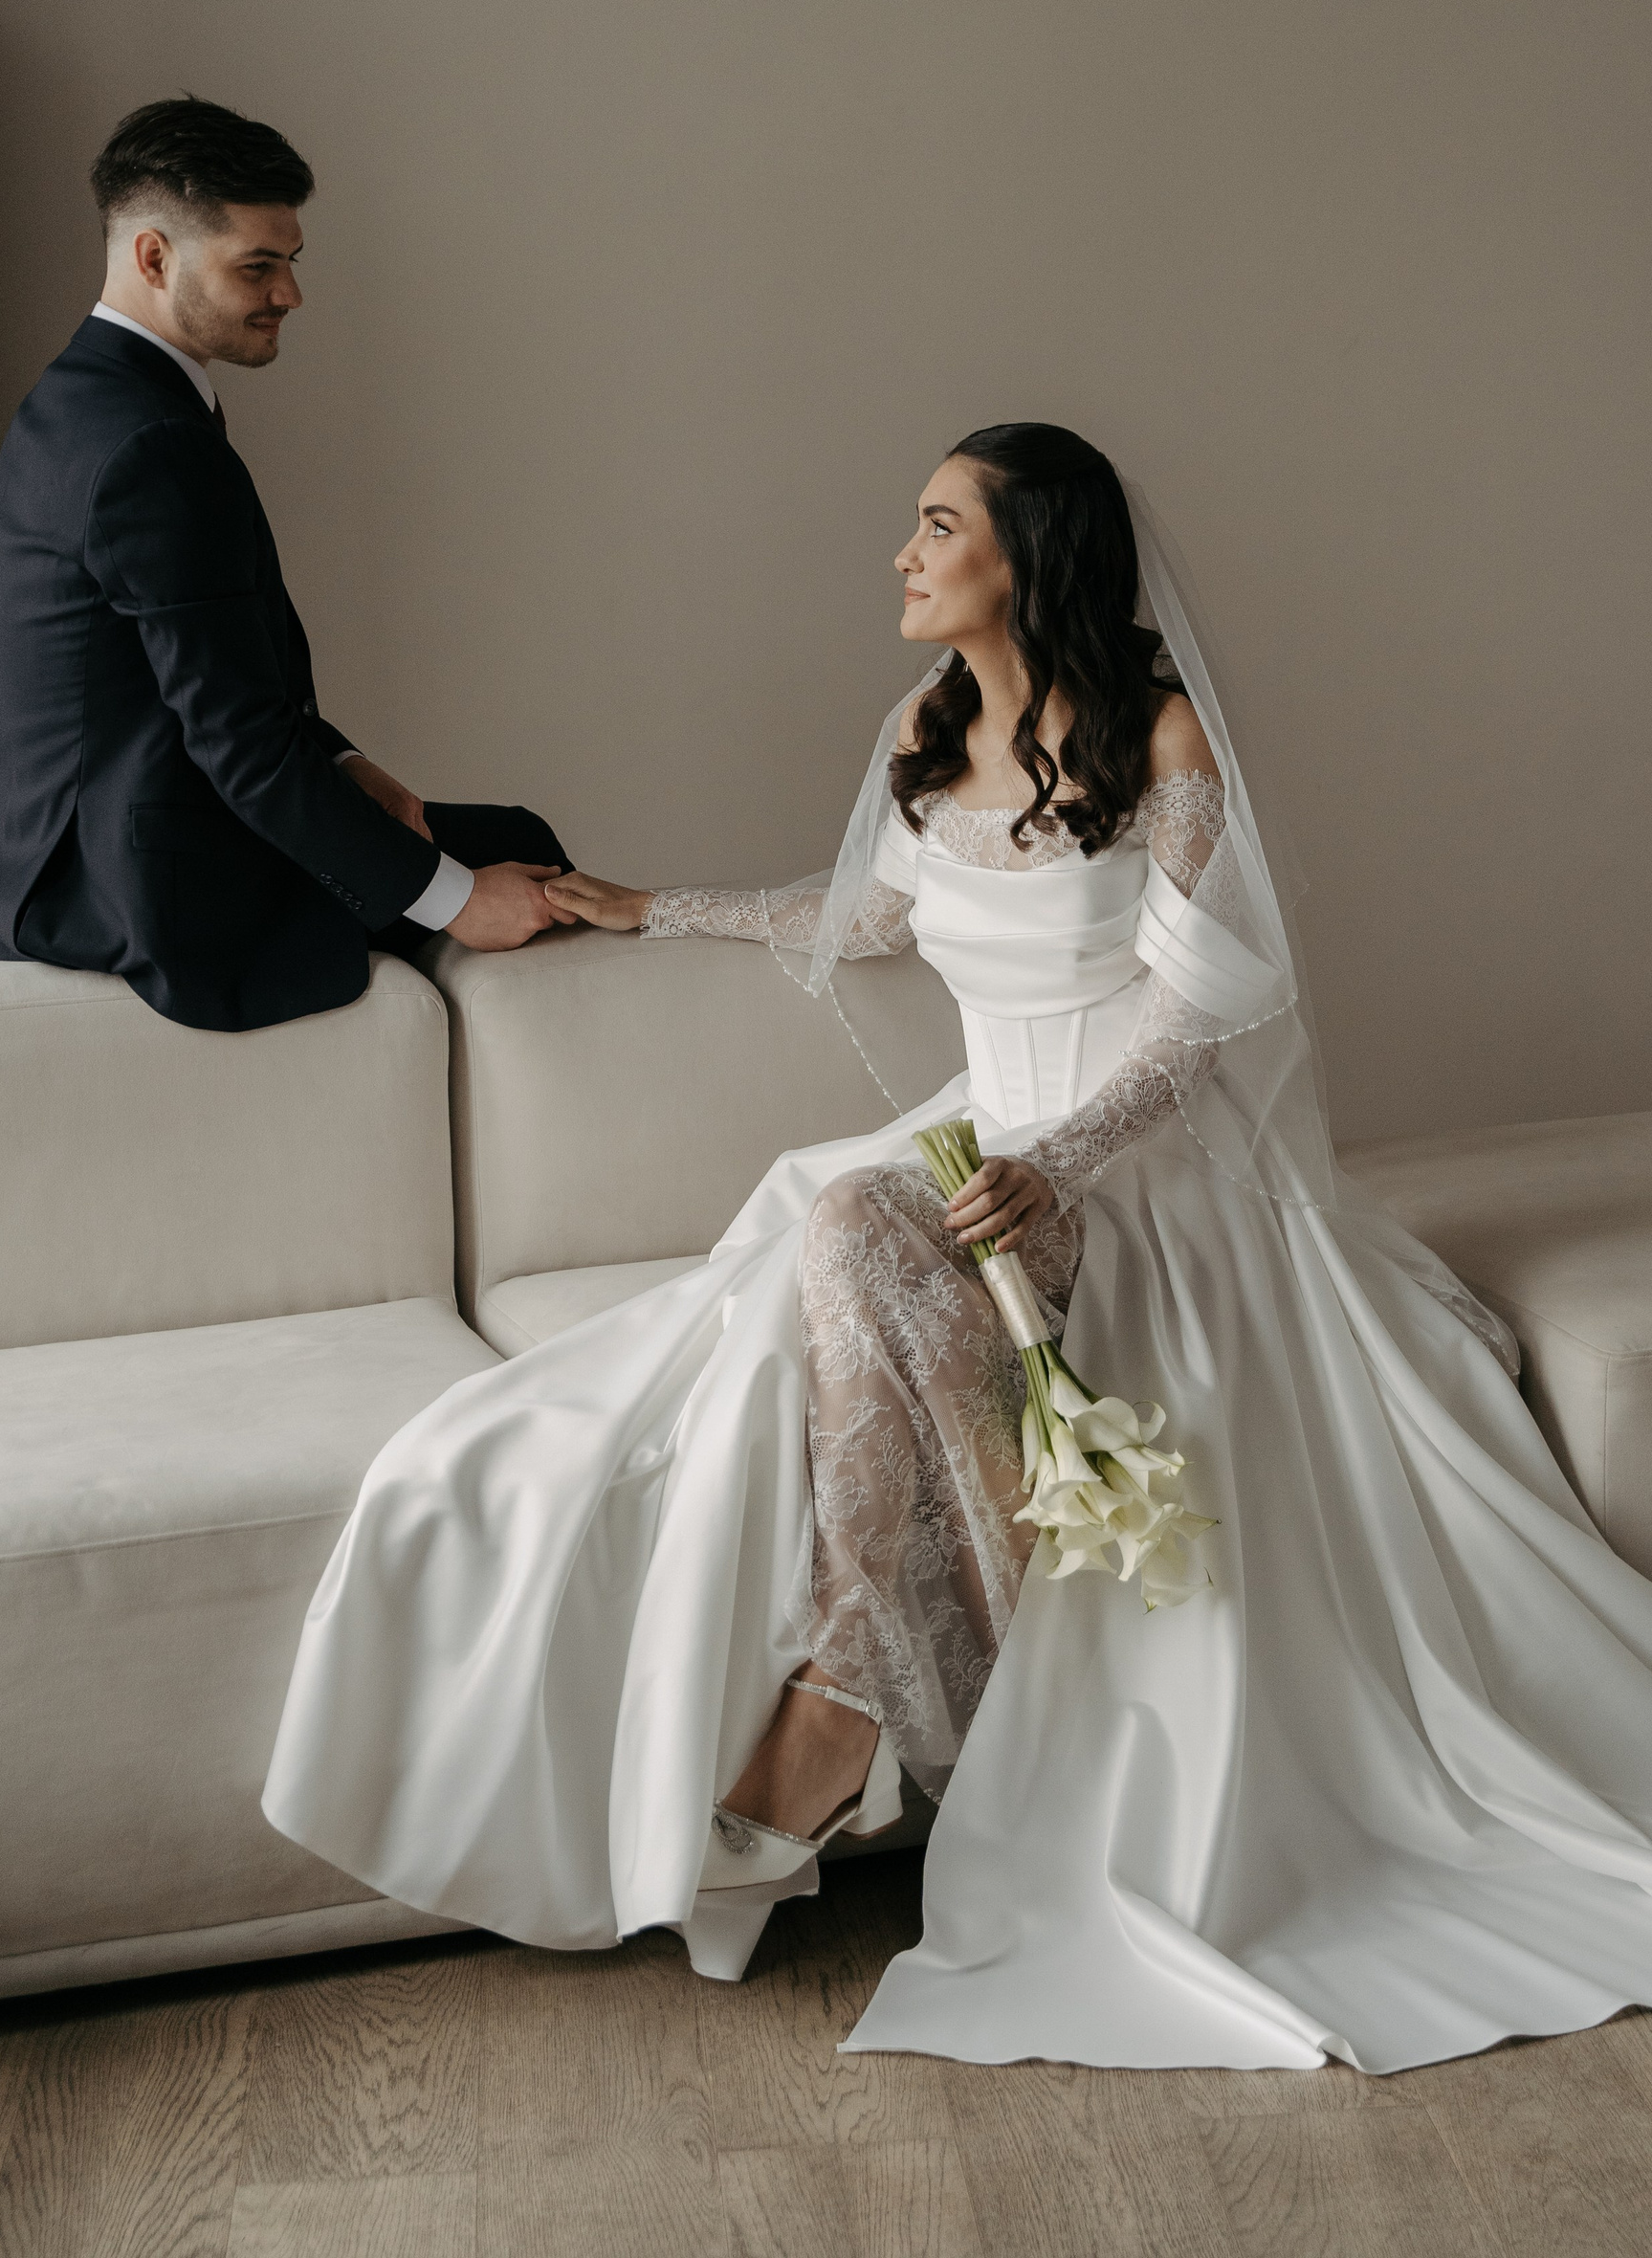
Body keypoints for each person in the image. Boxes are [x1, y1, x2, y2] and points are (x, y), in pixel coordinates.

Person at [262, 424, 1652, 2071]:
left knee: (855, 1224)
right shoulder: (926, 724)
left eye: (937, 527)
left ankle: (848, 1696)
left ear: (1029, 554)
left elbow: (1202, 1016)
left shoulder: (1161, 733)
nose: (904, 557)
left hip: (1138, 1169)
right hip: (977, 1144)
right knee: (850, 1219)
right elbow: (867, 916)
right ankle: (913, 1651)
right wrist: (656, 907)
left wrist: (1059, 1165)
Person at [0, 96, 570, 1032]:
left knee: (470, 839)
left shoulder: (83, 395)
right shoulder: (151, 442)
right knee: (516, 850)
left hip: (42, 857)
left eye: (290, 261)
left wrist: (345, 762)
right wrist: (453, 901)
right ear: (154, 257)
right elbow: (237, 739)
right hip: (126, 884)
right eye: (258, 266)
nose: (290, 294)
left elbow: (190, 677)